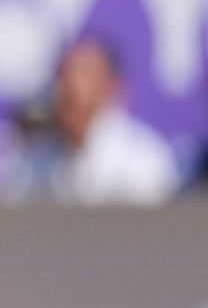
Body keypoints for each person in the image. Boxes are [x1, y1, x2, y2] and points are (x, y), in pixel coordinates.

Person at [47, 37, 181, 206]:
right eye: (64, 76)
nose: (70, 87)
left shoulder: (143, 160)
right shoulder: (43, 159)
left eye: (85, 75)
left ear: (111, 87)